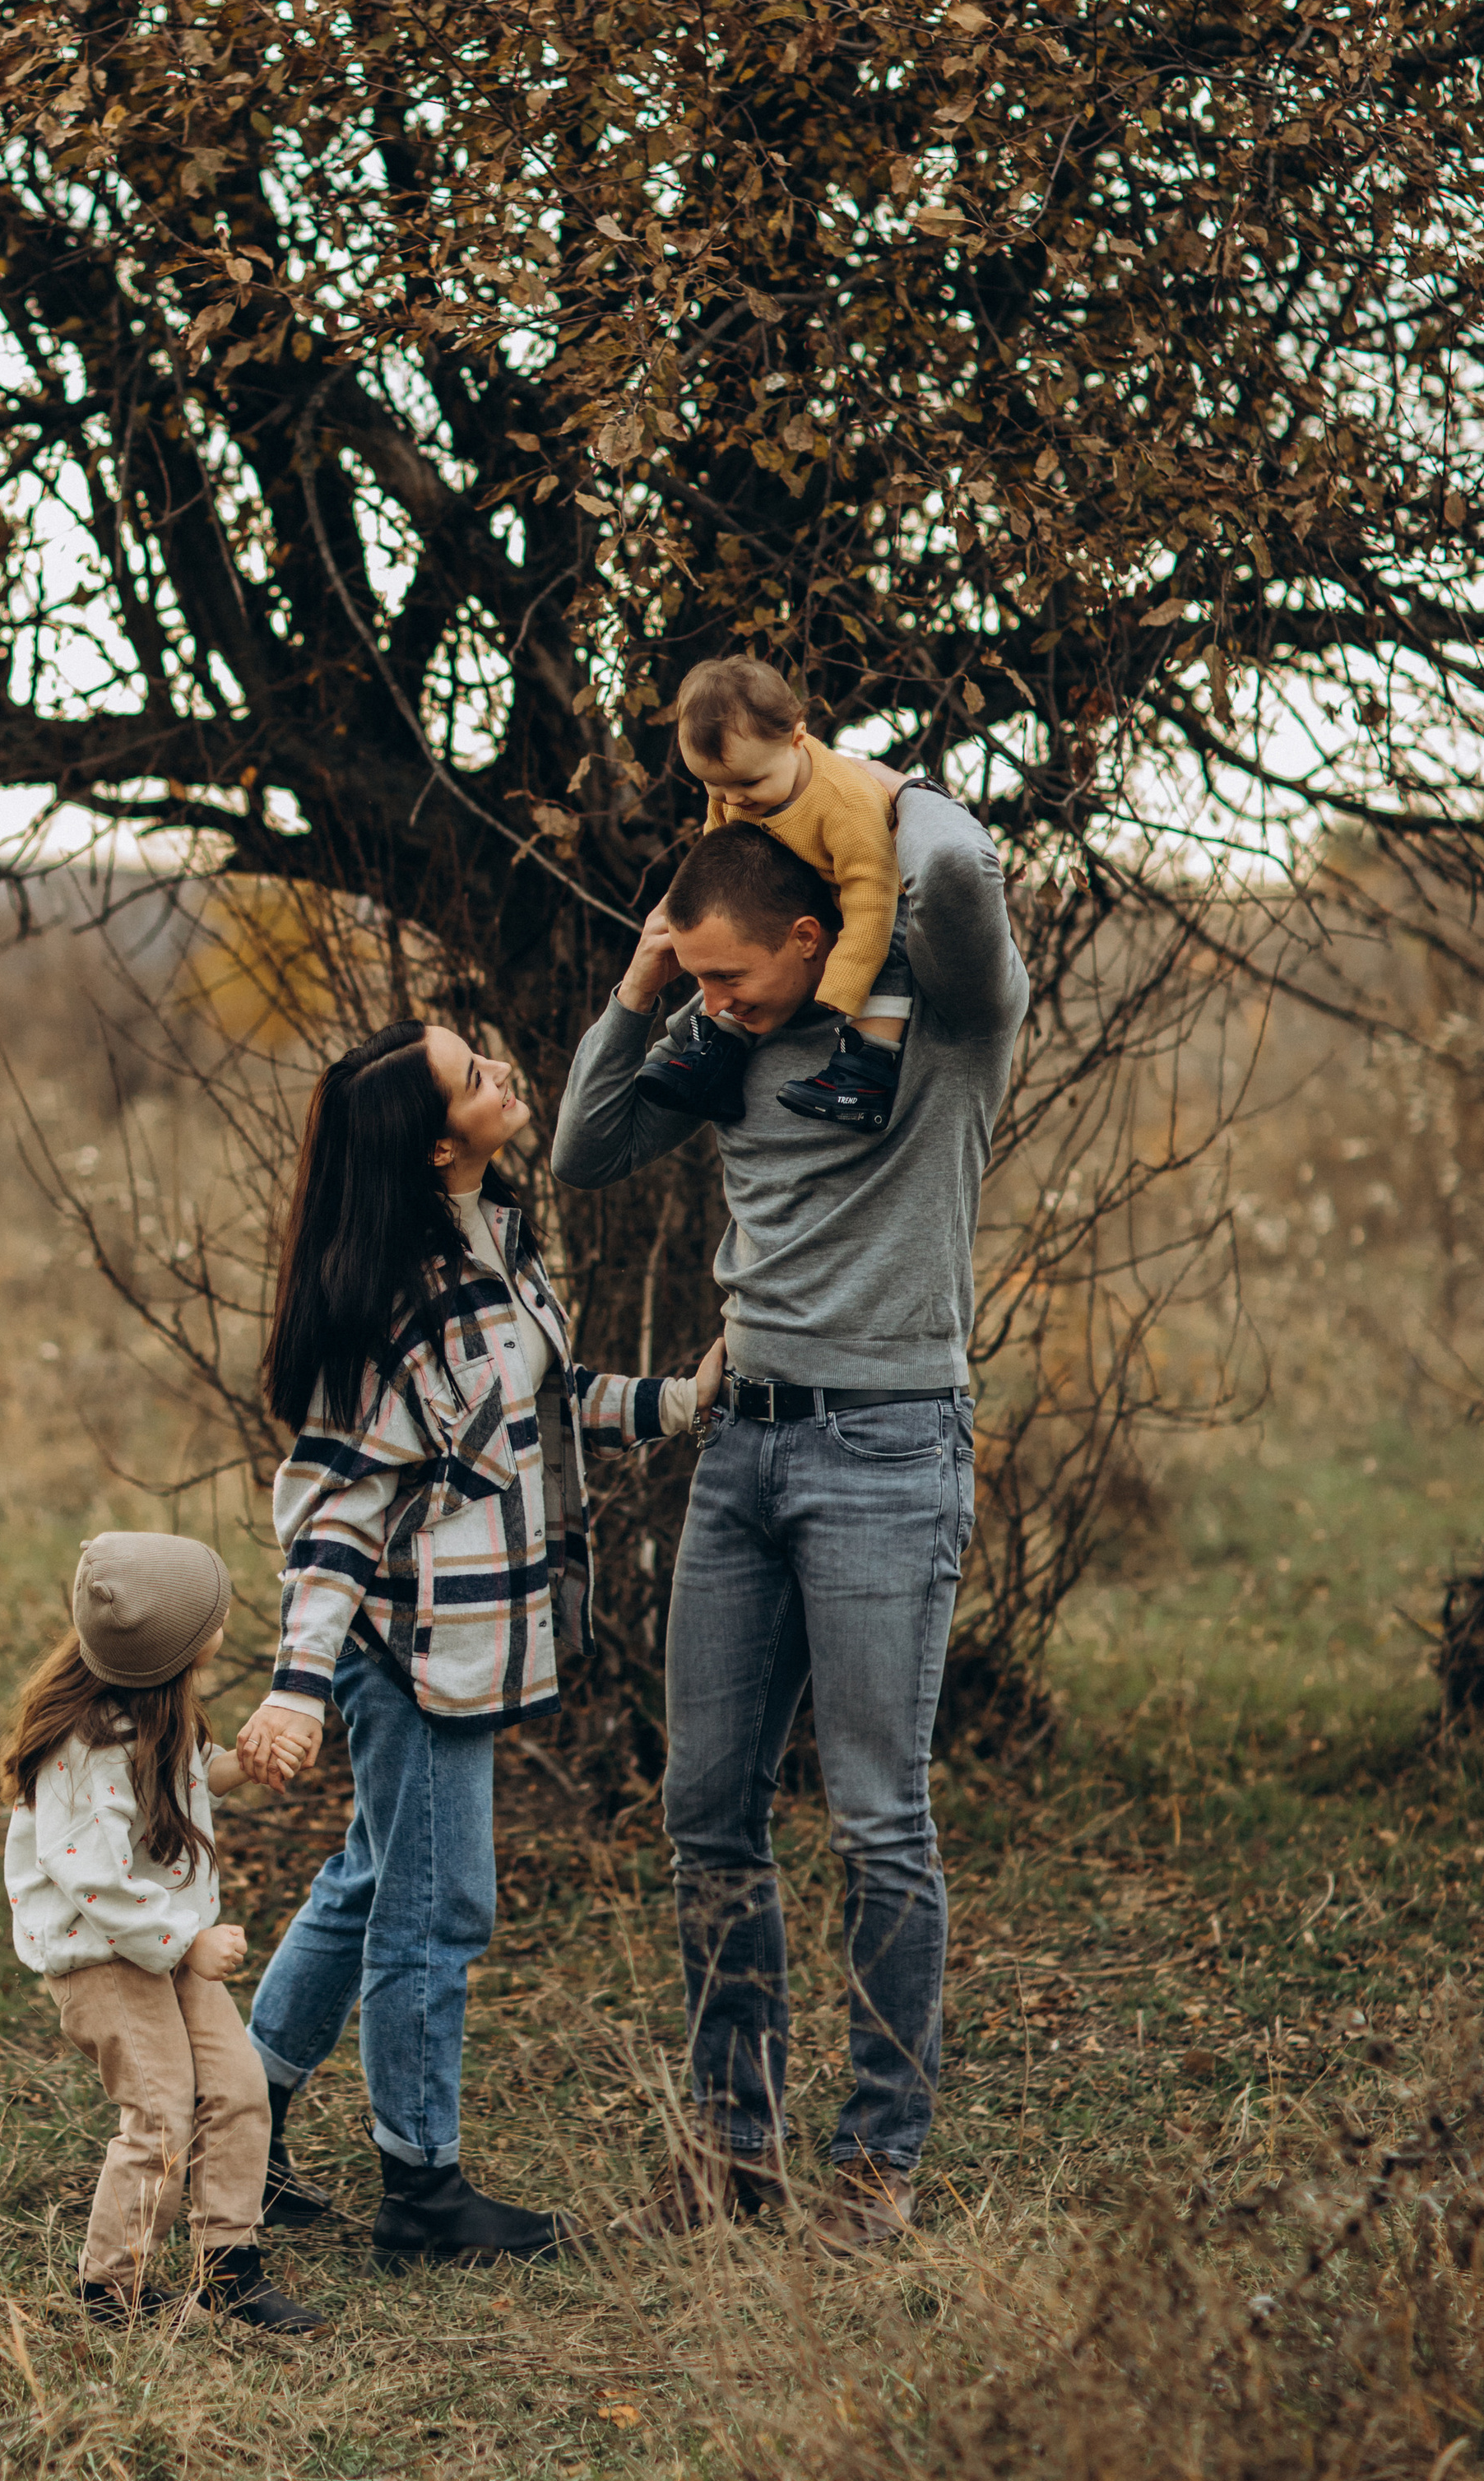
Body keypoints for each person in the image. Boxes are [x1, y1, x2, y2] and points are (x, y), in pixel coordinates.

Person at [551, 777, 1027, 2251]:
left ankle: (875, 2167)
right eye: (692, 979)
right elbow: (584, 1145)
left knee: (880, 1821)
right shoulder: (718, 1038)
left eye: (729, 974)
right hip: (743, 1455)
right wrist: (644, 987)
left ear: (818, 933)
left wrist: (861, 787)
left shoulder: (943, 1021)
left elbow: (958, 871)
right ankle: (733, 2150)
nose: (714, 1003)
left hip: (887, 1453)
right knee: (709, 1816)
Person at [231, 1018, 722, 2267]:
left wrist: (677, 1402)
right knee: (438, 1909)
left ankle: (230, 2125)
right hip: (412, 1654)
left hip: (478, 1637)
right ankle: (421, 2192)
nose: (505, 1074)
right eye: (477, 1075)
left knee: (368, 1879)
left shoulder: (496, 1253)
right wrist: (296, 1689)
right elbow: (332, 1522)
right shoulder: (396, 1308)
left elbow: (542, 1410)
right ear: (438, 1140)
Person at [0, 1528, 324, 2334]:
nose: (223, 1622)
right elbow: (95, 1881)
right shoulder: (81, 1752)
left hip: (163, 1943)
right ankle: (111, 2294)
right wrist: (188, 1943)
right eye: (210, 1616)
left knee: (239, 2091)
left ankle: (231, 2269)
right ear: (175, 1646)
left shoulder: (149, 1705)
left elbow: (182, 1776)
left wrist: (239, 1767)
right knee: (160, 2111)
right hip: (103, 1961)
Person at [638, 657, 911, 1134]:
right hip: (797, 895)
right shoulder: (733, 788)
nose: (734, 799)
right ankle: (714, 1058)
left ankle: (866, 1070)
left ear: (797, 740)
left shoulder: (842, 802)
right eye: (713, 785)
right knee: (732, 959)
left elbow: (871, 896)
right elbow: (718, 850)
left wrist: (844, 980)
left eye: (748, 783)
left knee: (888, 957)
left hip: (875, 899)